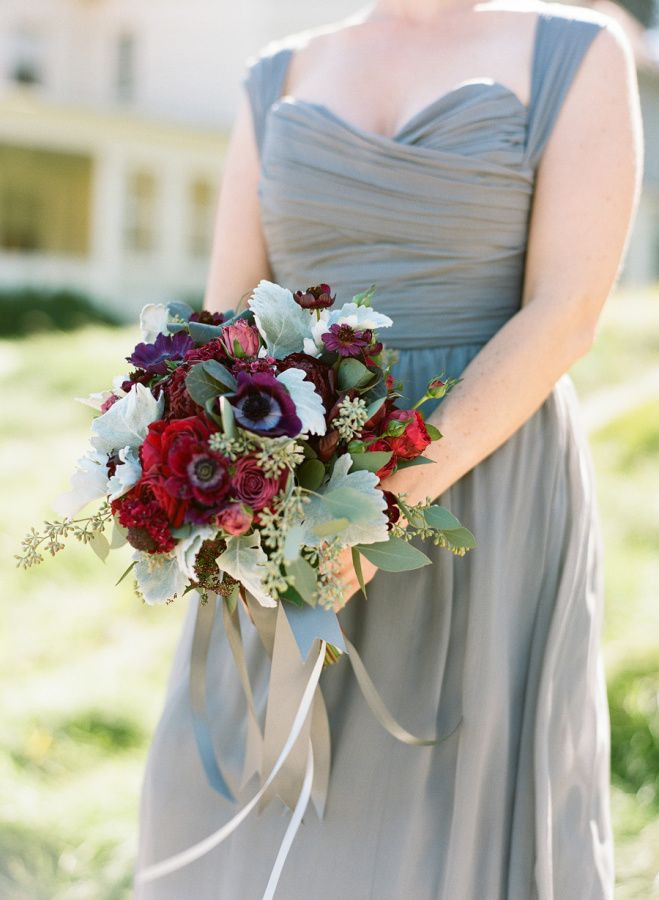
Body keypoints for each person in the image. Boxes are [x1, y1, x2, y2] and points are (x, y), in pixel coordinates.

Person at [134, 0, 643, 896]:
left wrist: (384, 505)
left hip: (482, 478)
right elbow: (227, 325)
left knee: (449, 807)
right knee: (239, 808)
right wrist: (218, 496)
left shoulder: (578, 50)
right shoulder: (276, 71)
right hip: (289, 481)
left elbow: (565, 312)